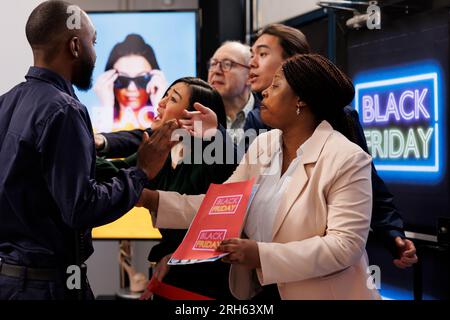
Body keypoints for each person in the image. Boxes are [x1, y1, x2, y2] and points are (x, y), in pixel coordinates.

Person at [138, 54, 381, 300]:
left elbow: (345, 246)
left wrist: (261, 255)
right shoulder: (264, 145)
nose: (264, 92)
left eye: (275, 86)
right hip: (262, 292)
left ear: (301, 100)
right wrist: (151, 199)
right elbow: (220, 206)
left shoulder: (347, 158)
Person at [186, 23, 418, 269]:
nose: (252, 63)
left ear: (296, 63)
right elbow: (238, 187)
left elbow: (367, 187)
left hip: (324, 274)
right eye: (252, 55)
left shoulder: (342, 122)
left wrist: (393, 234)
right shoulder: (260, 121)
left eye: (262, 54)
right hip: (264, 277)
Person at [0, 1, 176, 300]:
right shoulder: (65, 110)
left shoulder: (7, 103)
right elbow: (81, 208)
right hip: (52, 287)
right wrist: (141, 172)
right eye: (92, 43)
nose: (94, 53)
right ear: (75, 46)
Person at [96, 77, 237, 299]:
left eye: (173, 99)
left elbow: (226, 204)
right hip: (172, 270)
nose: (160, 103)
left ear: (193, 115)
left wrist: (214, 133)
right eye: (165, 95)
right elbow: (118, 170)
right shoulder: (163, 148)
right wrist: (80, 149)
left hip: (212, 280)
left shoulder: (215, 153)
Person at [93, 34, 168, 131]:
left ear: (155, 79)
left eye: (142, 79)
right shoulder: (96, 127)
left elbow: (167, 144)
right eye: (122, 80)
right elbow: (99, 143)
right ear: (109, 80)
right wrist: (106, 107)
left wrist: (160, 105)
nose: (131, 88)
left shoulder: (174, 125)